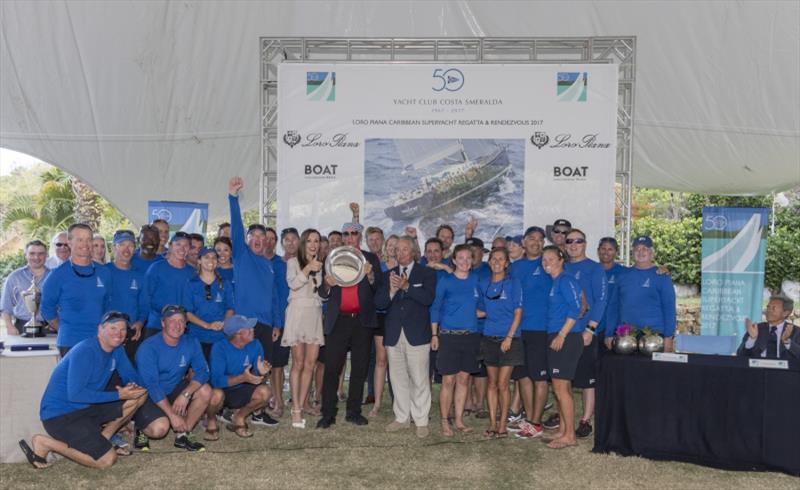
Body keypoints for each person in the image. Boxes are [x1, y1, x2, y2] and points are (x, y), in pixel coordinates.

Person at [19, 311, 148, 469]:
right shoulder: (85, 351)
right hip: (61, 415)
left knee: (139, 396)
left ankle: (103, 438)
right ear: (100, 330)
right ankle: (45, 443)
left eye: (122, 330)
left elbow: (131, 375)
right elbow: (76, 395)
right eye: (113, 328)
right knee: (106, 461)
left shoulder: (117, 349)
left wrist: (134, 386)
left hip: (87, 408)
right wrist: (120, 394)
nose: (119, 334)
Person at [227, 176, 282, 427]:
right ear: (247, 240)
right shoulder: (241, 256)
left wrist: (276, 324)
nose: (258, 239)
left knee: (264, 367)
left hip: (267, 324)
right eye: (254, 235)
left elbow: (273, 297)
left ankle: (258, 411)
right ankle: (234, 408)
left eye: (262, 236)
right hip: (245, 324)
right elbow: (237, 227)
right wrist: (233, 198)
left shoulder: (269, 265)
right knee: (243, 367)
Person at [316, 221, 382, 429]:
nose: (350, 237)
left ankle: (353, 411)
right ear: (343, 237)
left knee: (360, 368)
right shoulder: (332, 258)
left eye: (354, 233)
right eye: (346, 234)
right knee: (332, 368)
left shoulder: (370, 259)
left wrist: (370, 275)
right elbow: (322, 293)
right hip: (338, 321)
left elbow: (379, 290)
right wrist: (327, 284)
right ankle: (328, 413)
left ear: (360, 236)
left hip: (362, 321)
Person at [375, 236, 437, 438]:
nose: (400, 253)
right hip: (394, 334)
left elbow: (428, 299)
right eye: (398, 250)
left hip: (417, 335)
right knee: (397, 378)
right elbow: (380, 303)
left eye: (404, 249)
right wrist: (392, 291)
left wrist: (407, 287)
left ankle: (421, 420)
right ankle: (402, 417)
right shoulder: (388, 275)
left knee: (419, 379)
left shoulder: (426, 273)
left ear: (413, 252)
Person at [133, 304, 212, 452]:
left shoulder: (191, 342)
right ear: (163, 323)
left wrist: (186, 394)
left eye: (181, 321)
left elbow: (203, 371)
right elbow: (152, 386)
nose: (177, 325)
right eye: (172, 320)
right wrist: (171, 415)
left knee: (205, 390)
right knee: (160, 429)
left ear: (186, 324)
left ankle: (183, 434)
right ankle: (140, 428)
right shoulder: (148, 347)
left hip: (174, 387)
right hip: (148, 395)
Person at [430, 244, 481, 436]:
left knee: (464, 379)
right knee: (448, 380)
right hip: (449, 337)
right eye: (461, 258)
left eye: (469, 258)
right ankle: (445, 421)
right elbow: (435, 308)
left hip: (470, 336)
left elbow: (483, 306)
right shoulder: (445, 281)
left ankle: (458, 420)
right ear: (453, 260)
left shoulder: (476, 280)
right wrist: (434, 334)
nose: (465, 262)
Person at [561, 228, 607, 439]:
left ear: (585, 244)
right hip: (562, 332)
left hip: (584, 332)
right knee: (563, 378)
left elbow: (601, 301)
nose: (573, 244)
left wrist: (590, 328)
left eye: (578, 241)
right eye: (569, 241)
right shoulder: (561, 267)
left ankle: (585, 420)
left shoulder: (595, 269)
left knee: (588, 380)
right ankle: (564, 418)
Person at [41, 223, 113, 356]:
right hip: (70, 343)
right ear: (69, 242)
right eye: (80, 239)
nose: (85, 244)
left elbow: (108, 305)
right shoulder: (57, 275)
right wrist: (63, 328)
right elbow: (46, 308)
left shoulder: (104, 272)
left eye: (89, 239)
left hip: (99, 341)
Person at [509, 226, 551, 439]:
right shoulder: (515, 267)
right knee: (523, 377)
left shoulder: (548, 264)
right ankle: (529, 419)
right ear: (523, 243)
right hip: (518, 331)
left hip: (541, 330)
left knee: (540, 378)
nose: (536, 242)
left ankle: (536, 422)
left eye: (540, 239)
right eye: (532, 238)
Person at [476, 247, 523, 439]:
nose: (496, 262)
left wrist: (509, 337)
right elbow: (480, 310)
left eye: (500, 259)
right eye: (493, 259)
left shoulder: (513, 283)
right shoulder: (483, 283)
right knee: (492, 384)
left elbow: (518, 312)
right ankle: (493, 424)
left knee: (504, 384)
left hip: (509, 340)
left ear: (506, 263)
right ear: (489, 262)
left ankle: (503, 425)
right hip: (489, 338)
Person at [282, 228, 325, 428]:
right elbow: (294, 284)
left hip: (314, 314)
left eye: (316, 241)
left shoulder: (321, 265)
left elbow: (320, 294)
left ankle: (303, 401)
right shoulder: (292, 262)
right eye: (309, 241)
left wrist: (329, 286)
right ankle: (296, 408)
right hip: (297, 313)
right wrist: (308, 268)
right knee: (298, 363)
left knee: (311, 364)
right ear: (303, 243)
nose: (313, 244)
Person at [542, 245, 583, 449]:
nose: (546, 262)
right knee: (562, 387)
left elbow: (577, 309)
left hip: (566, 338)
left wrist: (561, 334)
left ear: (561, 260)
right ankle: (564, 430)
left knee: (560, 388)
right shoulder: (556, 281)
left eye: (550, 258)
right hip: (557, 336)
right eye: (544, 259)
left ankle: (570, 436)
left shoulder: (566, 280)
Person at [206, 315, 272, 439]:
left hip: (243, 387)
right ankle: (211, 419)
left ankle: (239, 417)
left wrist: (263, 373)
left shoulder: (256, 344)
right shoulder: (219, 347)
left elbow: (257, 376)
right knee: (215, 395)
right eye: (249, 328)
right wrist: (242, 378)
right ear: (238, 334)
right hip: (224, 389)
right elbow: (216, 381)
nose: (253, 329)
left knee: (266, 392)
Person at [614, 236, 677, 352]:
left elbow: (669, 308)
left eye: (645, 249)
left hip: (655, 338)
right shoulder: (623, 275)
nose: (640, 252)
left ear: (652, 253)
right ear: (632, 252)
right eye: (637, 249)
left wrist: (669, 337)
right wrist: (609, 333)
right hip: (626, 337)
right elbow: (615, 306)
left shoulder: (662, 276)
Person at [183, 247, 234, 361]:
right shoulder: (191, 284)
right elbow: (187, 313)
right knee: (197, 373)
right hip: (197, 336)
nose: (211, 260)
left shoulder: (225, 283)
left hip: (219, 337)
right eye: (206, 257)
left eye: (214, 257)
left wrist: (223, 323)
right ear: (199, 260)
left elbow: (230, 308)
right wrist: (207, 325)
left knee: (217, 374)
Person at [268, 227, 298, 418]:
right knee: (277, 364)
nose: (290, 242)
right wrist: (276, 321)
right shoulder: (274, 264)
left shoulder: (305, 263)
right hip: (279, 320)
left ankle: (299, 401)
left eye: (294, 239)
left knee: (300, 362)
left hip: (298, 320)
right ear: (282, 243)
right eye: (286, 239)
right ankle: (278, 401)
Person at [142, 231, 195, 337]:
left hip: (182, 328)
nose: (182, 248)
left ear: (189, 249)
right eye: (178, 244)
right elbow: (145, 296)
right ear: (170, 246)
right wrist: (163, 309)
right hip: (157, 326)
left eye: (186, 245)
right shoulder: (156, 268)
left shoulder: (193, 272)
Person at [105, 230, 148, 359]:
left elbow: (144, 306)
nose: (126, 249)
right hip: (107, 334)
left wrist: (140, 323)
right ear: (113, 248)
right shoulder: (103, 272)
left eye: (130, 245)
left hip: (130, 335)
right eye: (122, 244)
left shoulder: (140, 276)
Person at [1, 240, 51, 335]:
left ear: (46, 256)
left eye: (41, 254)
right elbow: (5, 306)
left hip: (49, 328)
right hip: (21, 328)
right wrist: (9, 326)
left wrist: (57, 324)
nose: (36, 257)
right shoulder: (14, 277)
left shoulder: (55, 277)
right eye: (32, 253)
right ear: (26, 255)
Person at [465, 236, 490, 418]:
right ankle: (467, 402)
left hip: (484, 327)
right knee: (466, 367)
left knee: (481, 370)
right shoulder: (462, 271)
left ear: (483, 252)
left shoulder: (489, 270)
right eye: (469, 251)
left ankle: (480, 404)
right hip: (465, 328)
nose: (473, 254)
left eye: (476, 250)